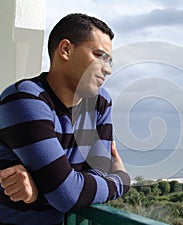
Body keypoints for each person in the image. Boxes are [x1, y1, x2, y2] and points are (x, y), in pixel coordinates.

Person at [0, 13, 130, 225]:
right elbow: (67, 194)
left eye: (109, 62)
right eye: (99, 55)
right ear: (66, 50)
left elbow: (96, 172)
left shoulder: (100, 103)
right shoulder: (24, 100)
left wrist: (41, 192)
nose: (107, 69)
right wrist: (122, 181)